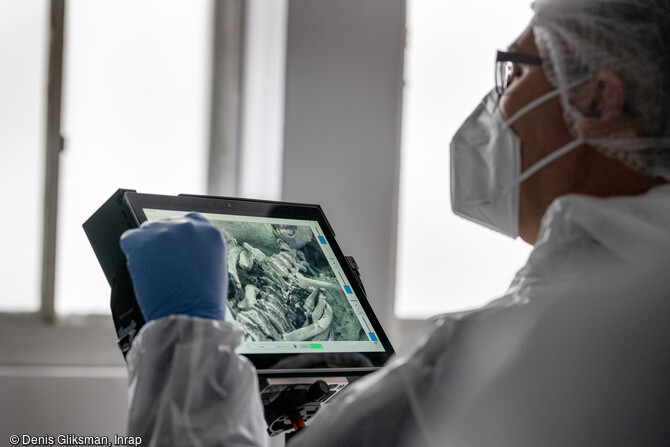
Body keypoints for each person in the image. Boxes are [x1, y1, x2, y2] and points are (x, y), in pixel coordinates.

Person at [119, 0, 670, 445]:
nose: (496, 107)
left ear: (598, 99)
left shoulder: (491, 356)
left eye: (514, 71)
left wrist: (186, 337)